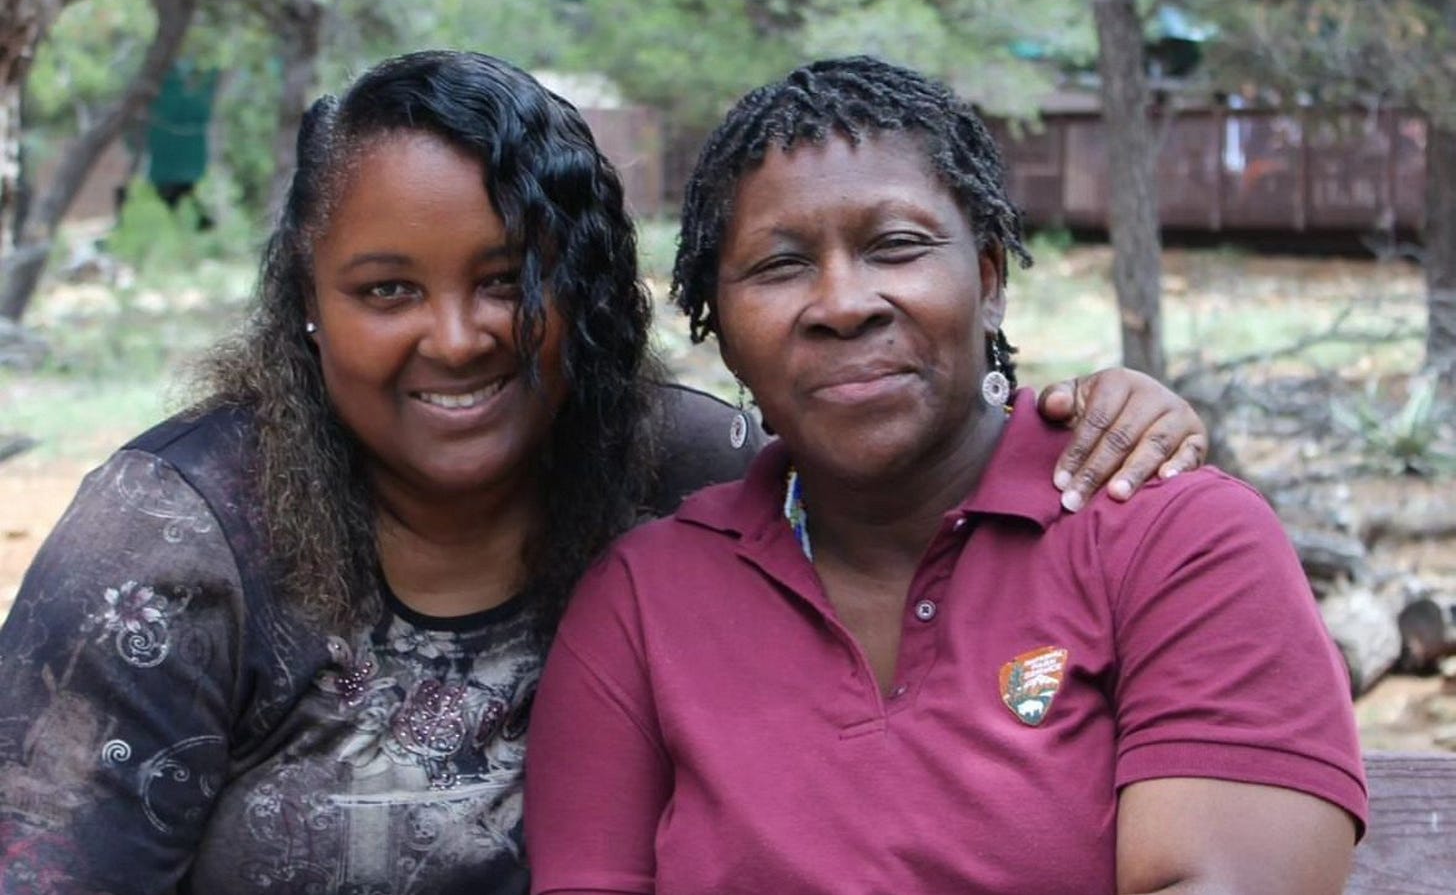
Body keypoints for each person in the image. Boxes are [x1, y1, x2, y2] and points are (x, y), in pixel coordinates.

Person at [0, 51, 1206, 895]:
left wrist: (1090, 407)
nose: (459, 334)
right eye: (385, 291)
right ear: (305, 310)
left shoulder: (688, 467)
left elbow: (895, 428)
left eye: (509, 278)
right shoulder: (172, 541)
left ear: (584, 292)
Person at [524, 56, 1367, 895]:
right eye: (779, 266)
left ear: (990, 280)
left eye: (896, 247)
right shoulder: (644, 599)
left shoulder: (1173, 540)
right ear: (723, 327)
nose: (844, 302)